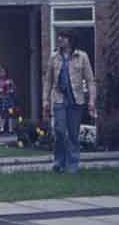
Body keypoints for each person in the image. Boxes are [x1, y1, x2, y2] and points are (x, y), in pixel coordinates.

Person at [43, 30, 96, 174]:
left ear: (70, 40)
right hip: (59, 98)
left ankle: (72, 165)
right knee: (59, 131)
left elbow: (90, 80)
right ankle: (59, 162)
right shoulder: (54, 57)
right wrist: (45, 101)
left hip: (76, 100)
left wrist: (91, 100)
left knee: (73, 133)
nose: (60, 39)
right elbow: (48, 81)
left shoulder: (82, 56)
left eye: (63, 37)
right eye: (59, 37)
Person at [0, 65, 16, 134]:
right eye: (2, 72)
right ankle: (2, 129)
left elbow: (14, 89)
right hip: (1, 99)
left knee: (10, 113)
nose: (3, 73)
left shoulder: (10, 81)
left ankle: (11, 129)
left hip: (9, 99)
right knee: (2, 114)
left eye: (4, 72)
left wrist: (11, 91)